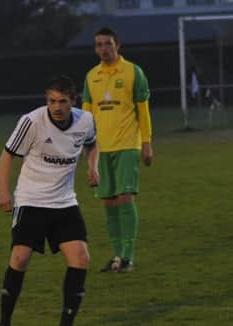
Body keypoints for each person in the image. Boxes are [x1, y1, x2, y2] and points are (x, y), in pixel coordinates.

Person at [0, 75, 99, 326]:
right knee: (20, 257)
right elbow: (6, 155)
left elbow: (92, 143)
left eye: (62, 101)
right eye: (52, 101)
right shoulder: (32, 121)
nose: (57, 107)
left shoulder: (85, 120)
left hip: (64, 202)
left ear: (73, 101)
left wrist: (92, 166)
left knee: (81, 257)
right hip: (31, 200)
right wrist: (4, 191)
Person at [82, 27, 153, 274]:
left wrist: (146, 142)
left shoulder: (134, 72)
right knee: (109, 203)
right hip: (101, 149)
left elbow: (143, 109)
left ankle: (128, 257)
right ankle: (116, 256)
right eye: (99, 44)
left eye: (107, 44)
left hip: (127, 145)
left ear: (117, 45)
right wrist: (86, 151)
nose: (103, 48)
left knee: (125, 198)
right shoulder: (91, 76)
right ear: (95, 48)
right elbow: (86, 117)